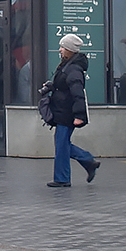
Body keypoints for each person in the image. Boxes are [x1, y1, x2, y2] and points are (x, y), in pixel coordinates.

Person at [46, 33, 101, 187]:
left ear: (70, 49)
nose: (60, 50)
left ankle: (63, 178)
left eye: (63, 47)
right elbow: (64, 86)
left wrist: (79, 115)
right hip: (63, 111)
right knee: (61, 144)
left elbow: (78, 93)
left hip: (67, 113)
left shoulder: (74, 69)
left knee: (62, 144)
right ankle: (88, 162)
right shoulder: (67, 66)